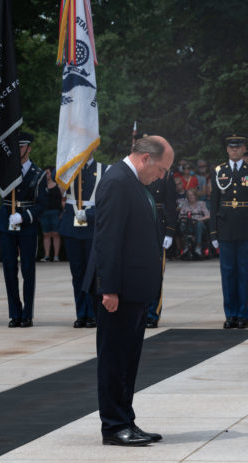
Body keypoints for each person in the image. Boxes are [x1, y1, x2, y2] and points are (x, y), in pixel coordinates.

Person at [83, 135, 174, 447]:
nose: (162, 176)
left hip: (133, 289)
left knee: (127, 360)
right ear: (146, 158)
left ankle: (126, 420)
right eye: (162, 169)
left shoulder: (134, 182)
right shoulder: (118, 181)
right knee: (114, 359)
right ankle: (113, 426)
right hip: (116, 291)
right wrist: (108, 288)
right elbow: (107, 239)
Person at [210, 134, 248, 329]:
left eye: (238, 147)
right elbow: (214, 204)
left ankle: (243, 314)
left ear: (243, 149)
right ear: (227, 150)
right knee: (227, 274)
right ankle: (230, 314)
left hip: (246, 229)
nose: (234, 150)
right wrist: (213, 233)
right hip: (225, 229)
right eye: (231, 147)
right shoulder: (218, 171)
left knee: (244, 273)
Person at [0, 132, 48, 328]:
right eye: (16, 146)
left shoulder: (39, 174)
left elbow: (41, 204)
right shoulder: (6, 171)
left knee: (28, 270)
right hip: (6, 223)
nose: (18, 150)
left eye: (22, 146)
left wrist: (24, 216)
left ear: (29, 148)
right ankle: (14, 313)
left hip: (27, 226)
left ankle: (27, 314)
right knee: (9, 270)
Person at [59, 156, 109, 328]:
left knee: (93, 274)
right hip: (71, 226)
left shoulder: (104, 170)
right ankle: (81, 313)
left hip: (92, 227)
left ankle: (93, 313)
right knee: (77, 273)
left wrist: (90, 213)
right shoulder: (68, 169)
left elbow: (106, 200)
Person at [144, 162, 177, 329]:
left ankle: (152, 313)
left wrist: (170, 231)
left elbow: (171, 205)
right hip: (139, 224)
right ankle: (140, 312)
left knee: (156, 273)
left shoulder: (165, 174)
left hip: (158, 225)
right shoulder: (135, 172)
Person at [178, 188, 210, 258]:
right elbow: (180, 216)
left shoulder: (201, 204)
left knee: (199, 224)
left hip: (198, 225)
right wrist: (184, 219)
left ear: (195, 196)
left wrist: (199, 219)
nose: (190, 197)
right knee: (182, 225)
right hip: (188, 224)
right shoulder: (184, 205)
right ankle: (186, 246)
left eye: (192, 195)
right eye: (189, 195)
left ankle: (198, 247)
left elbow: (208, 216)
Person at [39, 168, 62, 262]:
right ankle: (47, 255)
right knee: (46, 234)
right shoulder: (41, 186)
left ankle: (56, 256)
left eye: (47, 173)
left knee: (56, 234)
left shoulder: (58, 186)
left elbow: (62, 200)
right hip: (44, 213)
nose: (45, 174)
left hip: (55, 212)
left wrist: (62, 213)